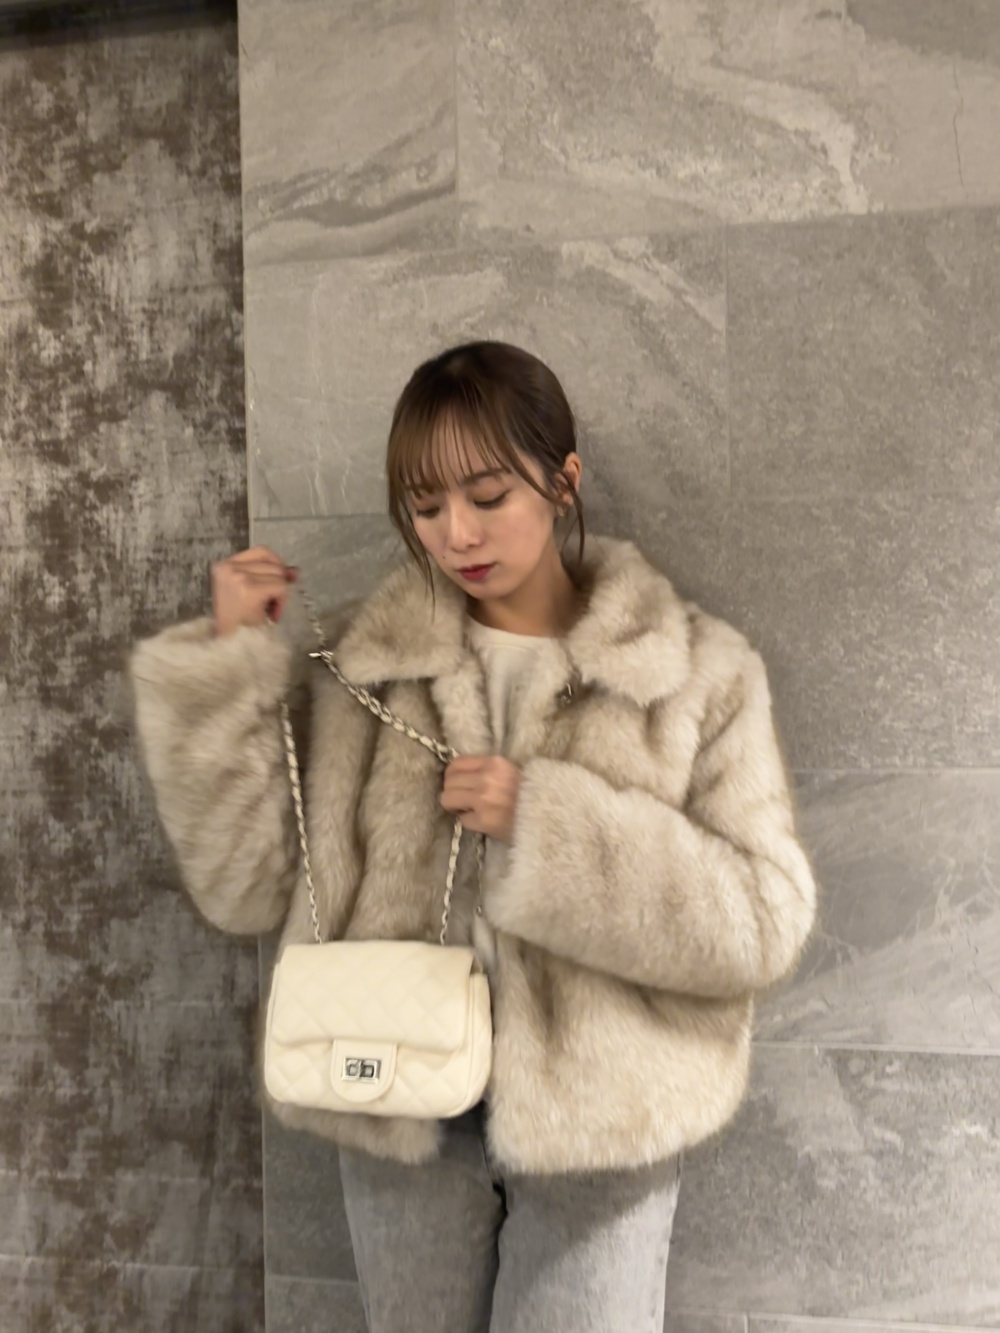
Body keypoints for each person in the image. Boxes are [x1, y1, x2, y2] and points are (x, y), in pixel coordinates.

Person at [131, 340, 817, 1333]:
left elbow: (763, 919)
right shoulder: (361, 672)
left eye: (488, 495)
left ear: (562, 480)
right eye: (424, 506)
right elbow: (245, 886)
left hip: (603, 1121)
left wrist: (548, 825)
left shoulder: (693, 674)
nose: (456, 532)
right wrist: (228, 667)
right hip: (397, 1096)